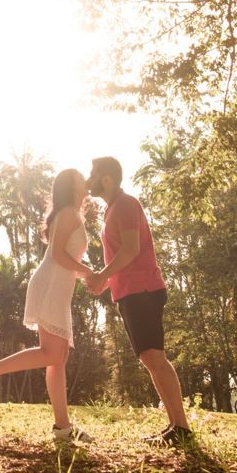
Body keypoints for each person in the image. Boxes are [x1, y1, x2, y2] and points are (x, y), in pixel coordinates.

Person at [0, 168, 101, 444]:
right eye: (80, 177)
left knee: (57, 356)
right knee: (52, 354)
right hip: (50, 287)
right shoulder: (68, 213)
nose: (85, 181)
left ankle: (63, 428)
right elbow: (57, 256)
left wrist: (85, 274)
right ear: (72, 186)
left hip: (57, 288)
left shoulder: (71, 214)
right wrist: (87, 271)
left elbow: (63, 259)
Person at [86, 155, 192, 447]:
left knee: (155, 357)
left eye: (93, 174)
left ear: (106, 179)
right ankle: (175, 425)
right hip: (130, 292)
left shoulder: (126, 204)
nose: (88, 179)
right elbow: (123, 255)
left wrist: (101, 275)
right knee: (149, 358)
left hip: (143, 290)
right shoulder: (112, 210)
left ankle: (181, 426)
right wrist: (105, 282)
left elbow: (132, 250)